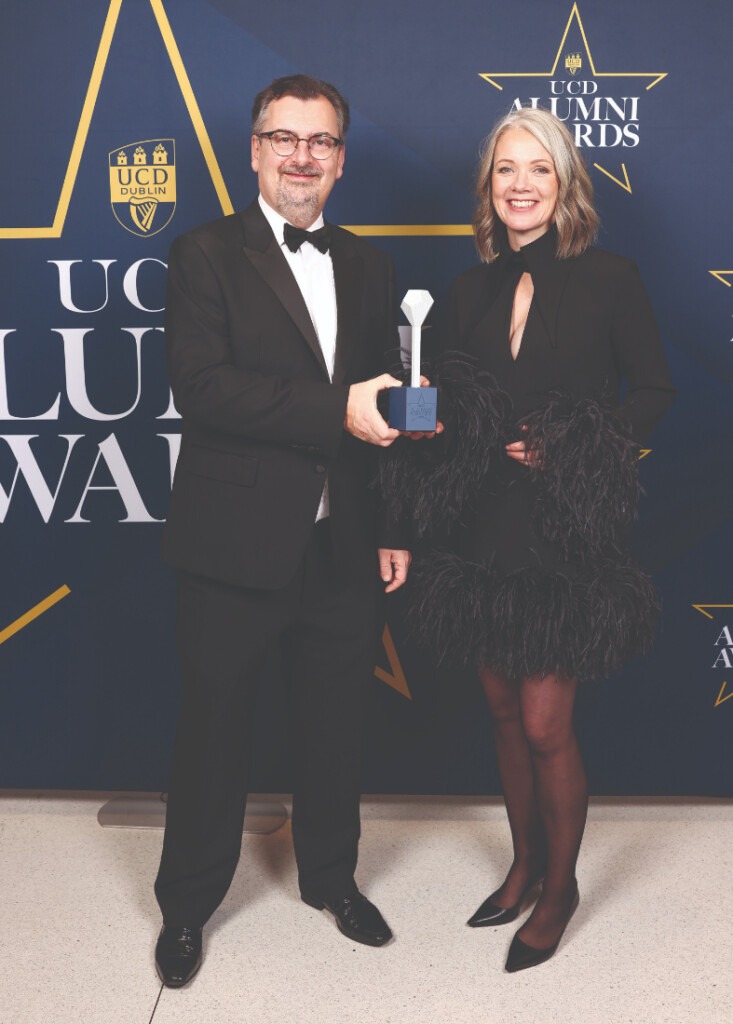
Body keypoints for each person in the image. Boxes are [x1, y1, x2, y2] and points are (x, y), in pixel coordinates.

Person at [154, 74, 412, 988]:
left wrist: (390, 526)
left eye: (321, 141)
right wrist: (334, 408)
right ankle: (186, 908)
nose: (303, 155)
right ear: (254, 150)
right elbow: (205, 389)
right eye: (284, 137)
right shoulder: (203, 253)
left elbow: (381, 404)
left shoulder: (369, 264)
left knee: (335, 727)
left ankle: (332, 882)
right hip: (232, 546)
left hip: (341, 543)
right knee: (213, 731)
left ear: (341, 160)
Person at [406, 107, 675, 972]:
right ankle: (522, 864)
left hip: (564, 528)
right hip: (480, 527)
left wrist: (576, 441)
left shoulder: (610, 277)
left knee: (544, 722)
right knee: (497, 710)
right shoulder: (463, 290)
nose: (519, 185)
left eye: (538, 170)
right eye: (503, 171)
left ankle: (560, 889)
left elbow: (655, 391)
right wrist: (418, 421)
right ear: (487, 188)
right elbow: (447, 404)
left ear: (564, 184)